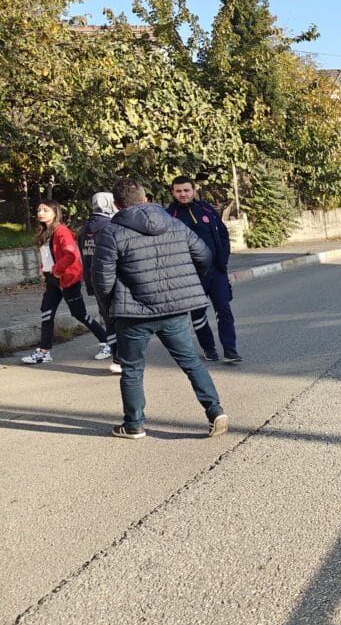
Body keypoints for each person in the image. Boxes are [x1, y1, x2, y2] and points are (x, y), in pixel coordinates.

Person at [93, 178, 229, 440]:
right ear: (145, 199)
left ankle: (134, 425)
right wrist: (184, 283)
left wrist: (109, 307)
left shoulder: (111, 232)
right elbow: (204, 255)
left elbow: (102, 279)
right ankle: (215, 411)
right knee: (190, 361)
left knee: (132, 369)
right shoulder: (175, 223)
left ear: (117, 205)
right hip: (174, 310)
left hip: (132, 313)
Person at [21, 199, 112, 365]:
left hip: (67, 279)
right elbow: (48, 255)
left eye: (45, 210)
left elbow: (70, 255)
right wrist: (44, 269)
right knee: (46, 313)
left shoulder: (61, 231)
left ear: (55, 212)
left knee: (79, 313)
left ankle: (107, 342)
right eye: (39, 210)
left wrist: (56, 270)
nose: (41, 213)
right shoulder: (45, 232)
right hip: (53, 280)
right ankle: (44, 352)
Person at [165, 176, 241, 363]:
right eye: (178, 191)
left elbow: (222, 234)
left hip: (216, 272)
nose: (183, 194)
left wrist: (223, 257)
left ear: (193, 190)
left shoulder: (207, 209)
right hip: (190, 275)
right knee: (198, 315)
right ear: (173, 192)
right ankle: (209, 348)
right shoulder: (169, 216)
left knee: (224, 310)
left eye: (186, 190)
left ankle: (230, 350)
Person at [79, 192, 122, 374]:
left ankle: (116, 358)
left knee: (108, 321)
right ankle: (123, 358)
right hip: (114, 281)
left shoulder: (83, 230)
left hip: (94, 281)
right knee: (121, 321)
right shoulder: (111, 227)